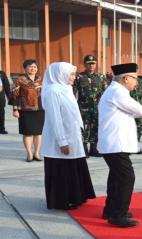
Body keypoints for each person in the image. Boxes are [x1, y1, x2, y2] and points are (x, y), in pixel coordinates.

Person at [98, 63, 142, 227]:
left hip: (115, 144)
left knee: (116, 177)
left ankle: (111, 210)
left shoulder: (118, 91)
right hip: (115, 144)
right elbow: (140, 110)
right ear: (126, 78)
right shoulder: (117, 92)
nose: (137, 82)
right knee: (126, 178)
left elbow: (134, 111)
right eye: (135, 78)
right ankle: (118, 215)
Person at [41, 62, 96, 210]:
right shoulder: (53, 91)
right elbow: (55, 118)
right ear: (60, 74)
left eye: (74, 74)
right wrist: (62, 141)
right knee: (62, 169)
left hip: (72, 135)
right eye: (71, 74)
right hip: (60, 138)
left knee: (73, 166)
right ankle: (62, 200)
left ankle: (76, 196)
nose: (74, 77)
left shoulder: (66, 88)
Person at [73, 55, 107, 157]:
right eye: (89, 63)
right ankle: (84, 149)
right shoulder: (79, 77)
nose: (91, 66)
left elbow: (105, 93)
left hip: (97, 108)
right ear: (84, 64)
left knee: (96, 127)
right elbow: (73, 92)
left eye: (93, 63)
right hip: (83, 108)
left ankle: (94, 148)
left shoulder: (101, 77)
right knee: (83, 128)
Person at [11, 59, 44, 162]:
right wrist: (15, 109)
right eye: (30, 66)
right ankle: (29, 153)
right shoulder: (19, 79)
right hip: (25, 110)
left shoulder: (41, 79)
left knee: (38, 132)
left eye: (35, 67)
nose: (33, 68)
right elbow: (14, 95)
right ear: (25, 68)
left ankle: (37, 153)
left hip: (40, 109)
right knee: (28, 132)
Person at [130, 77, 142, 154]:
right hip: (130, 110)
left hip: (139, 109)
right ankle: (129, 148)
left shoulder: (140, 82)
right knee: (129, 129)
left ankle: (136, 146)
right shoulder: (127, 81)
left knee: (140, 128)